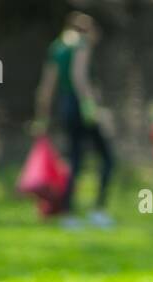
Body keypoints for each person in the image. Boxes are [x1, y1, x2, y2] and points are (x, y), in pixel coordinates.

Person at [33, 11, 114, 228]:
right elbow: (80, 76)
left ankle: (68, 214)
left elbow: (47, 86)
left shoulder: (58, 47)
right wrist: (91, 107)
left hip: (66, 106)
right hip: (81, 106)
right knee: (107, 158)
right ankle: (99, 210)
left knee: (74, 160)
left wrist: (42, 117)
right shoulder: (81, 44)